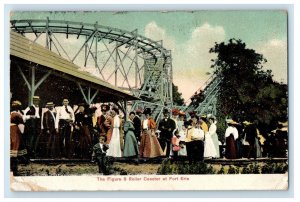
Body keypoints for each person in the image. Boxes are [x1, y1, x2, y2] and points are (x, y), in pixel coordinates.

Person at [10, 100, 28, 175]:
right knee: (15, 145)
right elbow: (21, 125)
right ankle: (14, 166)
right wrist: (22, 132)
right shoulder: (18, 115)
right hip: (14, 130)